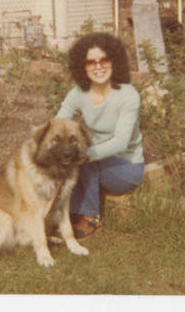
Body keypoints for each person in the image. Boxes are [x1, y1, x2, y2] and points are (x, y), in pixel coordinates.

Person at [55, 32, 144, 239]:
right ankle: (63, 215)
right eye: (90, 62)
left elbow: (121, 142)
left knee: (84, 157)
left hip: (126, 168)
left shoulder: (128, 94)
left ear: (114, 61)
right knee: (70, 154)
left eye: (104, 59)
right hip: (98, 162)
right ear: (82, 66)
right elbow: (57, 125)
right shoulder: (78, 93)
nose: (98, 66)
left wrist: (85, 155)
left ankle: (89, 217)